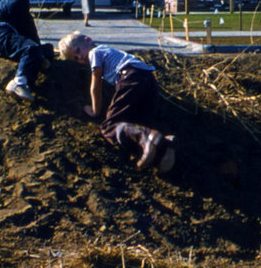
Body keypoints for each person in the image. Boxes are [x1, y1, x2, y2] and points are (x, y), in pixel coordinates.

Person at [58, 32, 175, 171]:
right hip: (149, 80)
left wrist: (96, 111)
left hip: (130, 77)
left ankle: (147, 137)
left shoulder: (95, 52)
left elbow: (96, 84)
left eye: (78, 51)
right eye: (75, 58)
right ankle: (163, 146)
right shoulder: (110, 52)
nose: (80, 57)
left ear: (88, 40)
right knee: (140, 122)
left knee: (110, 125)